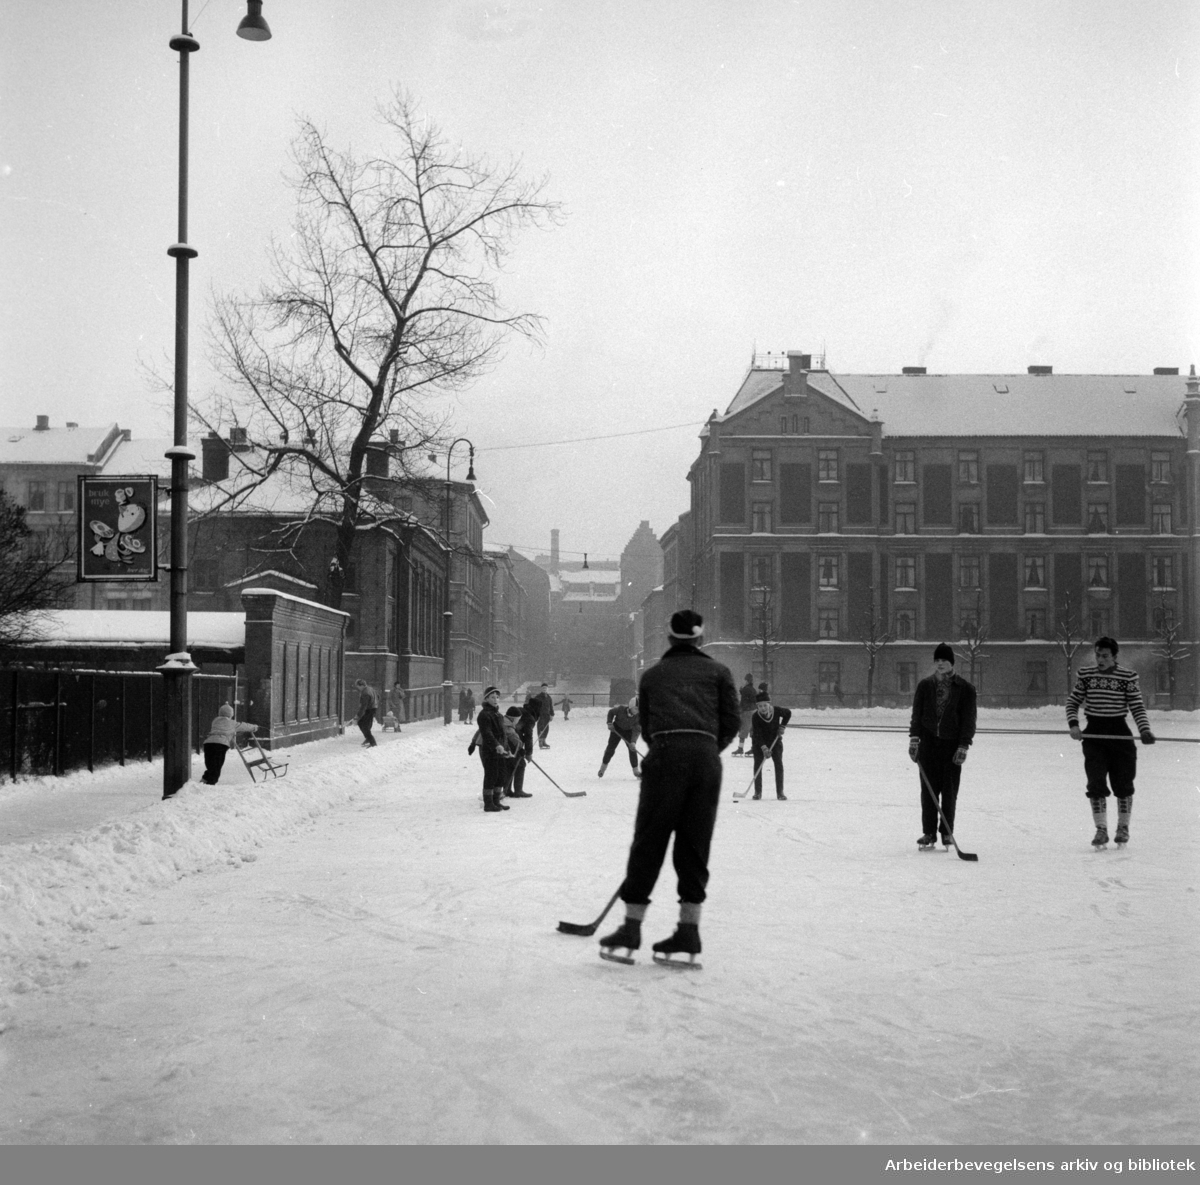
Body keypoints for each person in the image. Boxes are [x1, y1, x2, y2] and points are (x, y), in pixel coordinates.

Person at [598, 609, 739, 968]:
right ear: (700, 638)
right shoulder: (720, 673)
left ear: (670, 638)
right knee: (694, 845)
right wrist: (705, 748)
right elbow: (731, 723)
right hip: (706, 762)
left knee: (649, 841)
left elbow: (644, 725)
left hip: (665, 758)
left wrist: (669, 747)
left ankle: (631, 928)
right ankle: (688, 932)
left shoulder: (653, 676)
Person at [1066, 636, 1155, 847]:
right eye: (1098, 655)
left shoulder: (1128, 677)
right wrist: (1074, 725)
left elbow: (1137, 707)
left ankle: (1123, 829)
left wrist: (1144, 730)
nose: (1100, 659)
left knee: (1123, 783)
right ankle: (1101, 831)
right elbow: (1073, 702)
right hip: (1094, 735)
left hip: (1119, 735)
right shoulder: (1087, 675)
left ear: (1115, 656)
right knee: (1095, 783)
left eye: (1105, 656)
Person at [907, 643, 976, 850]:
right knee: (928, 791)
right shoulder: (925, 685)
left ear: (951, 663)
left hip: (951, 746)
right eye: (937, 661)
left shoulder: (965, 689)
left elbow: (968, 720)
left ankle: (946, 832)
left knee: (949, 791)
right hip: (928, 745)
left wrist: (963, 745)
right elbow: (916, 716)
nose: (940, 664)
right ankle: (929, 833)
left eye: (944, 661)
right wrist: (914, 740)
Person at [468, 686, 510, 813]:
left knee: (500, 775)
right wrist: (496, 745)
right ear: (486, 699)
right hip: (490, 750)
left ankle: (496, 801)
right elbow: (487, 733)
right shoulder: (484, 715)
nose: (496, 699)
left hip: (500, 750)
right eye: (492, 697)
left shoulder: (498, 714)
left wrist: (506, 747)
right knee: (491, 776)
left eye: (497, 697)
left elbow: (503, 733)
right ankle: (488, 803)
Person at [200, 704, 258, 785]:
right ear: (231, 714)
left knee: (210, 765)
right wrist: (254, 727)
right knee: (217, 766)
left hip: (208, 744)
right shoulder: (232, 723)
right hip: (220, 745)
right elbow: (244, 726)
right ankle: (210, 784)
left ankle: (204, 781)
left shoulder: (215, 721)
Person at [750, 688, 792, 800]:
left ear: (769, 704)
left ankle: (780, 792)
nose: (762, 708)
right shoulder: (755, 717)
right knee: (758, 765)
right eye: (760, 706)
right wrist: (764, 748)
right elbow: (757, 734)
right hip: (759, 743)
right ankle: (757, 792)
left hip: (775, 742)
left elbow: (788, 713)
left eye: (765, 705)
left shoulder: (777, 711)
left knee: (779, 765)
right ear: (757, 707)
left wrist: (782, 726)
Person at [599, 695, 641, 778]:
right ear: (631, 706)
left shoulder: (638, 717)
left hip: (628, 731)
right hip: (616, 729)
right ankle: (602, 769)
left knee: (632, 750)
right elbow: (611, 712)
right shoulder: (621, 709)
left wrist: (633, 741)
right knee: (610, 749)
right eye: (636, 708)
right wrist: (609, 723)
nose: (637, 711)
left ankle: (636, 771)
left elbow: (637, 730)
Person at [502, 705, 534, 798]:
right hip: (510, 747)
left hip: (507, 747)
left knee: (510, 766)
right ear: (513, 718)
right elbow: (515, 739)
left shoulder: (504, 721)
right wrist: (521, 749)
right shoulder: (509, 726)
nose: (518, 721)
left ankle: (507, 790)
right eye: (518, 719)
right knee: (520, 765)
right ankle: (518, 791)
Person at [733, 673, 757, 756]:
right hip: (754, 710)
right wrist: (742, 692)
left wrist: (740, 710)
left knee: (743, 730)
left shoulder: (746, 689)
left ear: (746, 680)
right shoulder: (753, 689)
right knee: (752, 730)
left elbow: (744, 701)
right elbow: (753, 698)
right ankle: (754, 748)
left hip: (747, 711)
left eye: (744, 680)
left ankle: (740, 748)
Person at [354, 679, 379, 747]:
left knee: (364, 725)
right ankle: (368, 738)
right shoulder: (371, 689)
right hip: (373, 708)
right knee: (365, 724)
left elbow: (363, 706)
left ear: (361, 685)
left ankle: (372, 742)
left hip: (369, 709)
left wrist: (358, 715)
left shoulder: (365, 693)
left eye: (358, 687)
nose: (358, 688)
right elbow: (378, 696)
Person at [534, 682, 555, 748]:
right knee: (541, 728)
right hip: (540, 715)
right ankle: (540, 741)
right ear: (541, 689)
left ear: (547, 689)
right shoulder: (538, 697)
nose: (544, 689)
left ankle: (544, 741)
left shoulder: (549, 697)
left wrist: (552, 714)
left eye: (545, 688)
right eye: (543, 688)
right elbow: (534, 706)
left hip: (547, 715)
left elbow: (551, 706)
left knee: (546, 728)